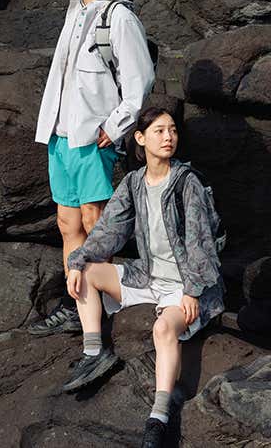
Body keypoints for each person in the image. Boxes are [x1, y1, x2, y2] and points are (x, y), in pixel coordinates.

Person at [62, 107, 225, 448]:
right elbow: (109, 231)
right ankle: (94, 353)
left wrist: (193, 291)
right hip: (147, 277)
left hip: (184, 286)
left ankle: (159, 417)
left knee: (163, 329)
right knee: (87, 273)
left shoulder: (187, 182)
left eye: (173, 130)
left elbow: (201, 242)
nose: (168, 137)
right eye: (159, 131)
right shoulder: (134, 182)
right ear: (140, 138)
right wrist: (78, 260)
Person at [30, 0, 155, 336]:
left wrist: (114, 126)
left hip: (91, 137)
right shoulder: (74, 11)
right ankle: (77, 302)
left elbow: (140, 80)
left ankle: (101, 307)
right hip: (60, 134)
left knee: (93, 221)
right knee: (67, 223)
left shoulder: (119, 17)